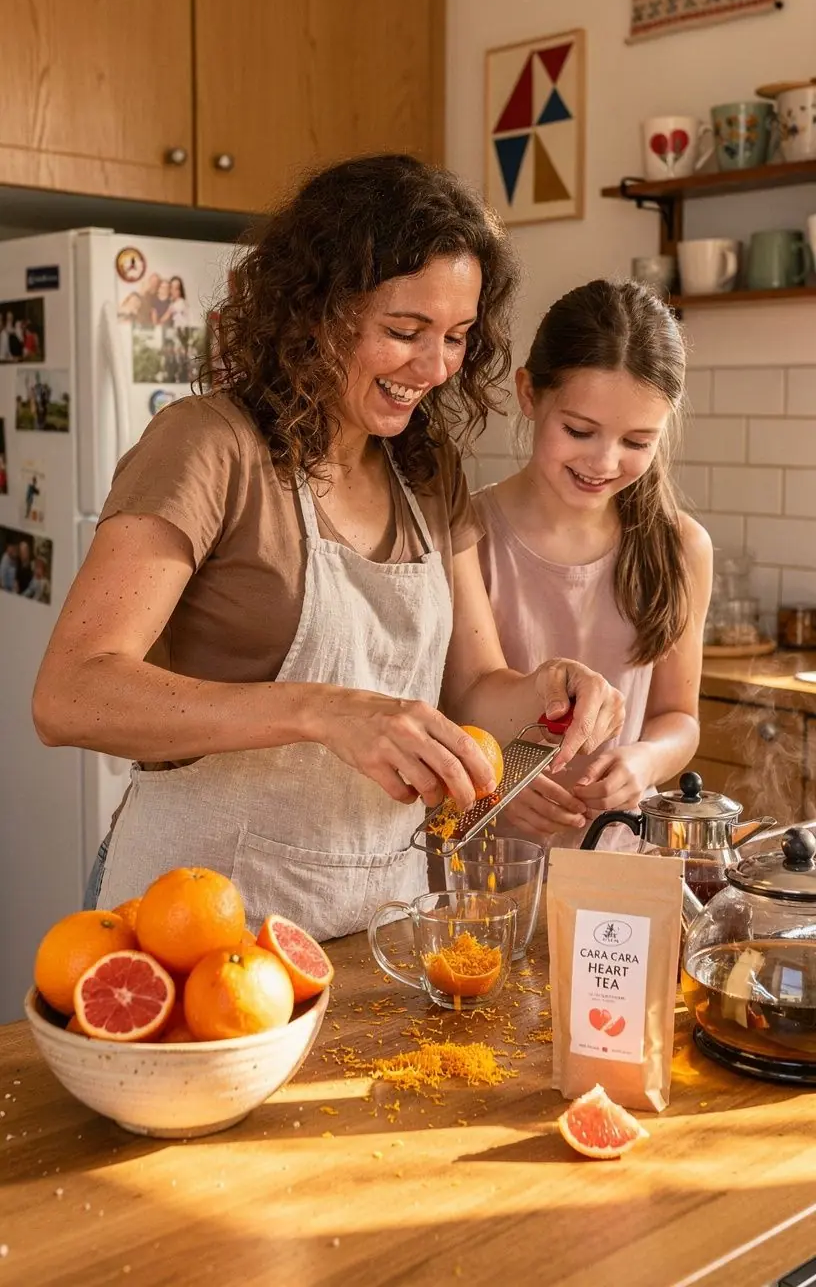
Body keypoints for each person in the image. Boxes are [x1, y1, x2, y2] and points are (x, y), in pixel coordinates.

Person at [32, 155, 624, 939]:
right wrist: (320, 710)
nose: (435, 367)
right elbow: (69, 694)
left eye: (456, 337)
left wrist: (547, 687)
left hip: (375, 932)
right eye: (404, 331)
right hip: (198, 925)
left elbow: (476, 689)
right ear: (315, 309)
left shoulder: (427, 471)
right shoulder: (209, 447)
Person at [473, 278, 713, 849]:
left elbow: (679, 717)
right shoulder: (467, 535)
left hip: (616, 868)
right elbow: (449, 703)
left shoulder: (680, 548)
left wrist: (645, 762)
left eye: (637, 441)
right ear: (529, 394)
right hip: (488, 869)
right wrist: (494, 781)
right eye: (579, 431)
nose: (604, 461)